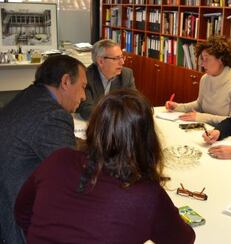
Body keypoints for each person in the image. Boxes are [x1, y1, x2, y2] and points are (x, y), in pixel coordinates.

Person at [14, 89, 196, 244]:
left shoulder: (58, 159)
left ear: (94, 126)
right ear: (146, 139)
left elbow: (22, 212)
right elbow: (184, 239)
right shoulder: (147, 194)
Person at [0, 55, 87, 244]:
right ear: (65, 82)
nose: (84, 96)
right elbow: (75, 179)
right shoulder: (53, 116)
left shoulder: (29, 96)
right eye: (82, 86)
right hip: (16, 223)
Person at [165, 35, 231, 126]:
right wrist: (178, 107)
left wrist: (202, 117)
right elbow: (199, 104)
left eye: (206, 59)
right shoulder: (205, 79)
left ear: (221, 59)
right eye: (202, 59)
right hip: (205, 128)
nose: (201, 64)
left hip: (227, 135)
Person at [77, 39, 136, 119]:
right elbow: (87, 110)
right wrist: (115, 116)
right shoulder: (86, 77)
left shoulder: (126, 75)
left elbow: (134, 103)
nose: (122, 62)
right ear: (101, 61)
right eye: (116, 58)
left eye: (122, 57)